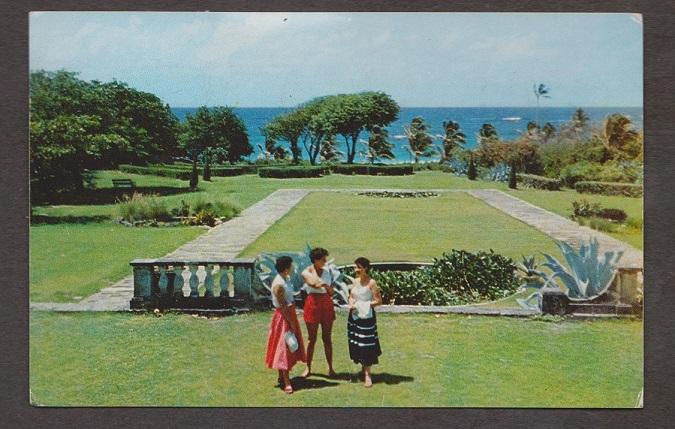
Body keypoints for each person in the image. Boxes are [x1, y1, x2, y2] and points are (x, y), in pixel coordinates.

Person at [265, 256, 306, 394]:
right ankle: (287, 381)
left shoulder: (285, 279)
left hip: (288, 314)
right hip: (284, 317)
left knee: (285, 347)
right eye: (291, 265)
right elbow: (282, 306)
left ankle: (281, 377)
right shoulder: (279, 284)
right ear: (286, 268)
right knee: (284, 348)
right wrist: (291, 323)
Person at [301, 247, 337, 378]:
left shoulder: (327, 272)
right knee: (312, 339)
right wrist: (322, 283)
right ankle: (308, 367)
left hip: (326, 304)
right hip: (312, 304)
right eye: (322, 259)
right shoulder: (306, 271)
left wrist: (325, 285)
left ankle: (330, 367)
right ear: (315, 260)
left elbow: (331, 292)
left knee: (327, 338)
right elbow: (314, 284)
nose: (325, 261)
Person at [347, 257, 382, 388]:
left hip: (366, 319)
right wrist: (351, 303)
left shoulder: (372, 283)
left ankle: (368, 375)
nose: (356, 269)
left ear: (365, 268)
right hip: (354, 318)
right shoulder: (355, 281)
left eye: (359, 267)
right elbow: (351, 296)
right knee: (357, 343)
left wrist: (360, 305)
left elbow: (378, 301)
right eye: (355, 267)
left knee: (367, 345)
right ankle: (362, 368)